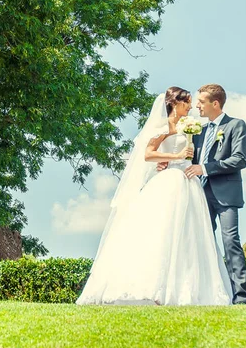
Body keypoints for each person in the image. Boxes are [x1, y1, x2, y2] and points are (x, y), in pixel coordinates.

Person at [76, 87, 232, 306]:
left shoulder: (191, 127)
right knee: (163, 230)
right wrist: (173, 156)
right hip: (169, 182)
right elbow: (148, 154)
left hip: (189, 182)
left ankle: (187, 288)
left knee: (189, 234)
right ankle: (153, 288)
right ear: (174, 103)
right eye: (186, 102)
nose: (190, 106)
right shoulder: (162, 127)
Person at [182, 83, 246, 304]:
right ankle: (210, 294)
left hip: (226, 194)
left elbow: (240, 159)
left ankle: (241, 298)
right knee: (202, 243)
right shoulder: (199, 131)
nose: (197, 106)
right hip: (200, 194)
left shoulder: (236, 125)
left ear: (215, 103)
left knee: (230, 241)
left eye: (201, 102)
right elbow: (193, 161)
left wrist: (206, 168)